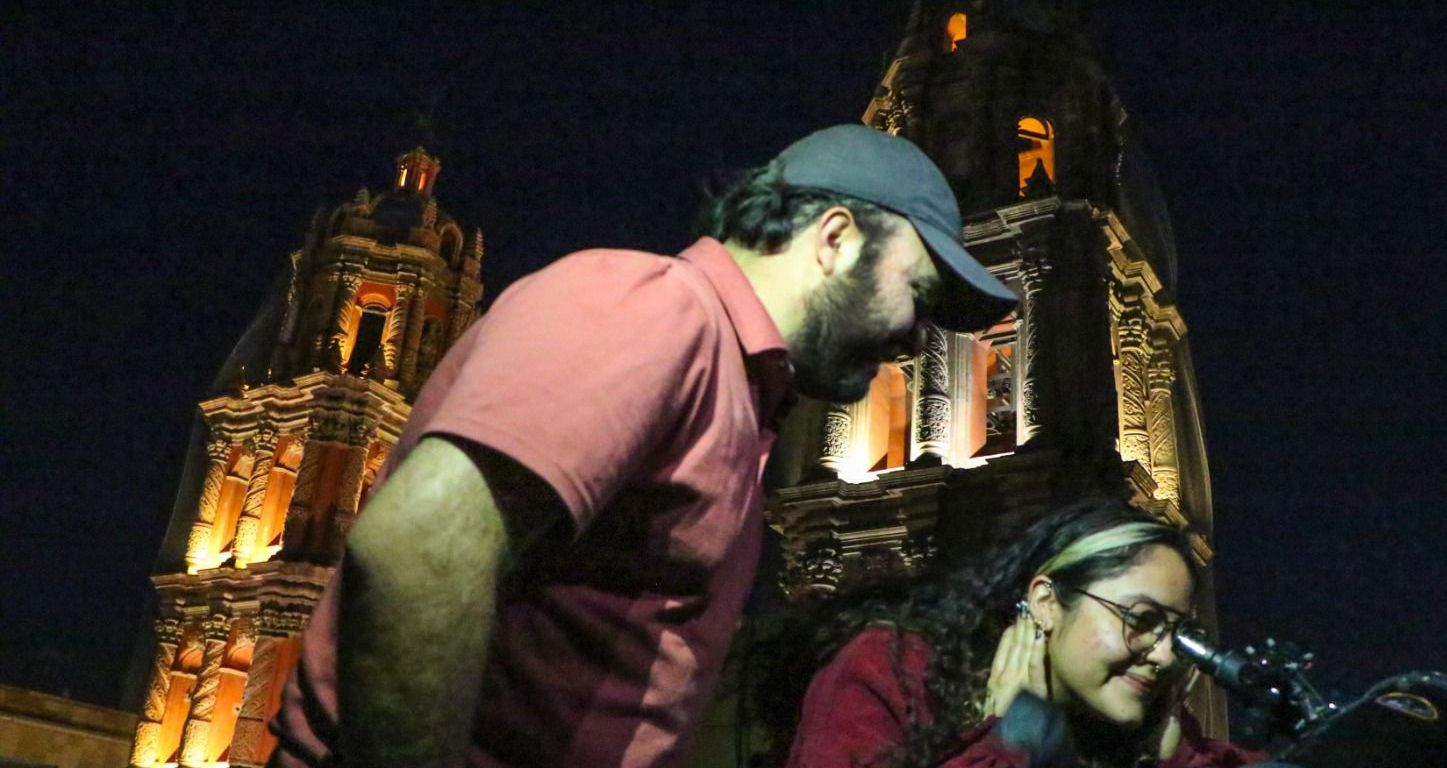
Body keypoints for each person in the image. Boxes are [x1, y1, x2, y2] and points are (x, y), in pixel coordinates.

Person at [265, 125, 1018, 767]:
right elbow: (417, 546)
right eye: (917, 294)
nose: (917, 339)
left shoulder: (732, 386)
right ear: (835, 239)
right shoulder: (662, 311)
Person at [753, 497, 1268, 768]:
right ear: (1046, 602)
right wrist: (1006, 749)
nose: (1164, 656)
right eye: (1141, 620)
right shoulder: (890, 672)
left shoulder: (1146, 733)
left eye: (1178, 634)